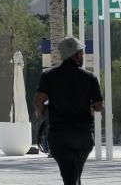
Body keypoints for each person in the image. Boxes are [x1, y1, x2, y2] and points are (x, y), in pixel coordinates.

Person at [35, 37, 104, 185]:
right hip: (83, 136)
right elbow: (98, 106)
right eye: (81, 53)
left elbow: (38, 100)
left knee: (70, 175)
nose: (83, 56)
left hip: (59, 136)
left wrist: (43, 112)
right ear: (76, 55)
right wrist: (93, 106)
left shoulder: (49, 76)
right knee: (74, 174)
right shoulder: (89, 77)